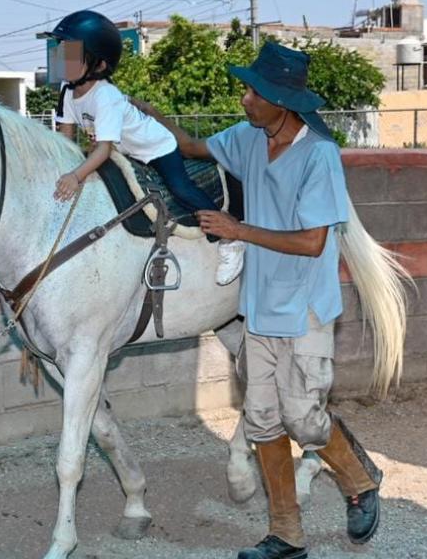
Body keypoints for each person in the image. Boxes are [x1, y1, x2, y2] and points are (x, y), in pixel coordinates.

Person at [143, 43, 383, 559]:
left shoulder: (319, 155)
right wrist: (141, 112)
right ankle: (285, 534)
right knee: (261, 421)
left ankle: (360, 479)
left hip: (304, 310)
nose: (245, 97)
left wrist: (236, 228)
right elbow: (189, 146)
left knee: (304, 419)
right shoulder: (249, 137)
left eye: (253, 90)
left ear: (280, 100)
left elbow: (313, 241)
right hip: (260, 310)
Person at [44, 9, 245, 285]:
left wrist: (76, 176)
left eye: (72, 53)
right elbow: (64, 140)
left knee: (180, 188)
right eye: (62, 51)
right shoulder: (68, 90)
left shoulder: (105, 96)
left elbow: (102, 150)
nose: (62, 59)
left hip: (157, 148)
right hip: (127, 150)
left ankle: (228, 237)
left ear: (99, 65)